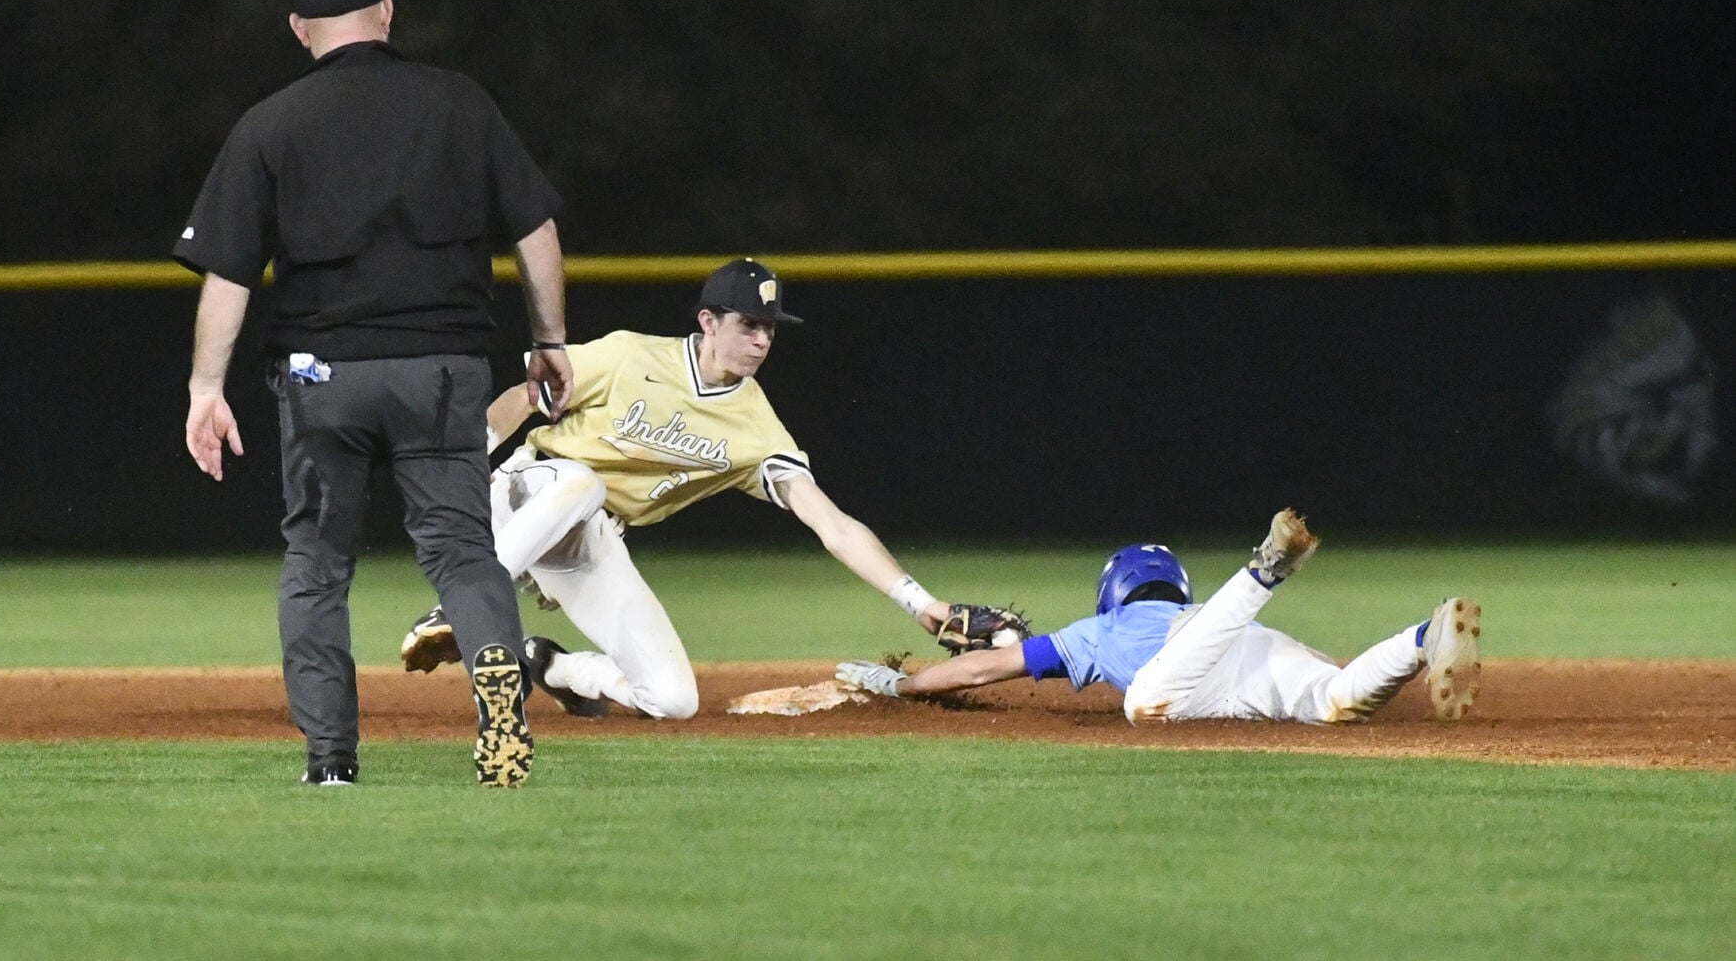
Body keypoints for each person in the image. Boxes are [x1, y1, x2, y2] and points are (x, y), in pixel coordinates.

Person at [175, 0, 572, 789]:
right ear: (387, 13)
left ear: (298, 29)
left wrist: (206, 389)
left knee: (317, 562)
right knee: (464, 549)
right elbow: (534, 228)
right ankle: (497, 674)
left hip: (325, 376)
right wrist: (550, 341)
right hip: (441, 369)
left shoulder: (270, 124)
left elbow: (230, 274)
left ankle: (331, 760)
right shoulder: (460, 103)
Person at [398, 258, 993, 720]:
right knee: (580, 482)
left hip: (586, 537)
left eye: (770, 329)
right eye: (749, 325)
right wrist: (467, 460)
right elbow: (529, 395)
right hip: (530, 492)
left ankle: (550, 666)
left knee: (672, 699)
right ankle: (461, 606)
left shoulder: (756, 426)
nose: (762, 340)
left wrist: (924, 605)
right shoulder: (630, 355)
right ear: (708, 322)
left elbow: (831, 523)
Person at [835, 509, 1484, 724]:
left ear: (1113, 591)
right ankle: (1422, 637)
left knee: (1143, 700)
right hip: (1244, 646)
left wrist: (902, 683)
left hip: (1185, 671)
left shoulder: (1099, 631)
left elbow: (986, 667)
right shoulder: (1194, 608)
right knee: (1335, 696)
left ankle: (1265, 569)